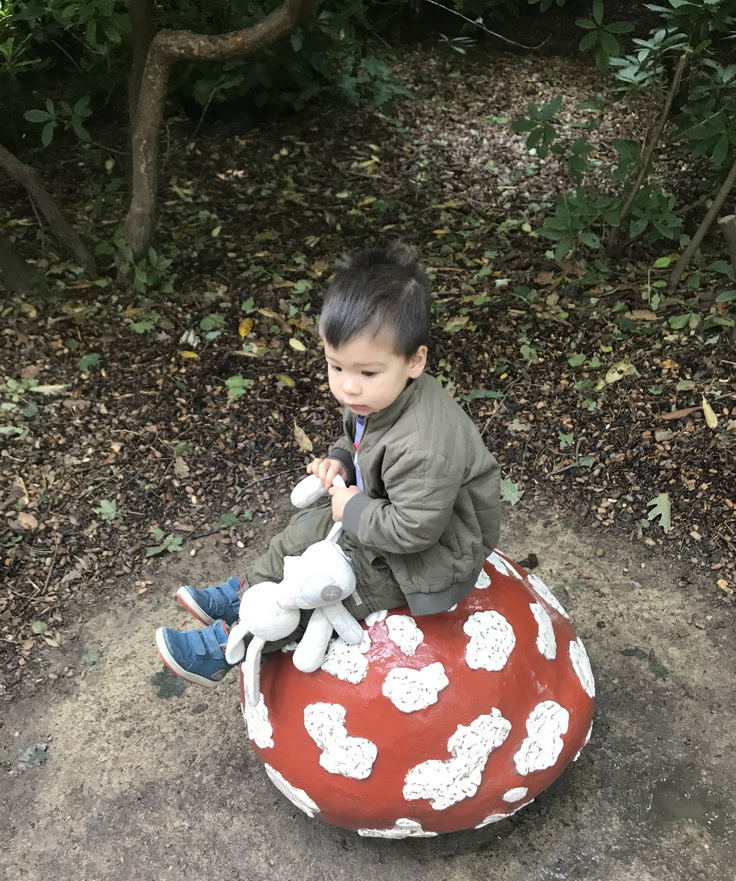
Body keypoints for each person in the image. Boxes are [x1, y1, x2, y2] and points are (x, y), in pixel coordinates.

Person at [156, 242, 501, 687]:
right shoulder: (381, 396)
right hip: (377, 510)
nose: (348, 387)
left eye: (366, 373)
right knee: (299, 535)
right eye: (335, 367)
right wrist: (340, 459)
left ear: (415, 360)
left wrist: (353, 508)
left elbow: (416, 531)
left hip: (427, 558)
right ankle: (244, 594)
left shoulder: (424, 446)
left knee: (324, 589)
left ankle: (230, 644)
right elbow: (360, 441)